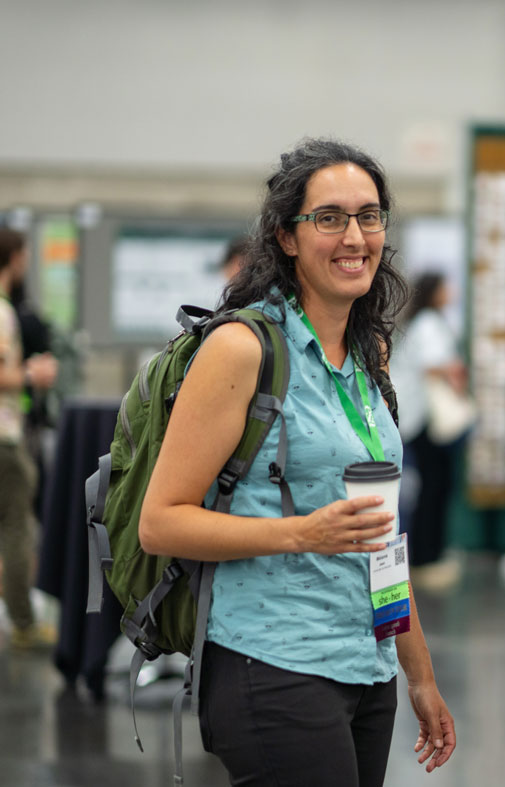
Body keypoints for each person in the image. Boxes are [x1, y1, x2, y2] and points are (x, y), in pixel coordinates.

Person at [139, 138, 455, 785]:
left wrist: (416, 672)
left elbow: (380, 536)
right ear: (286, 236)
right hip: (271, 662)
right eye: (330, 217)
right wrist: (300, 532)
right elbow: (161, 521)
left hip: (366, 668)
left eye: (369, 216)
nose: (354, 236)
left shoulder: (371, 356)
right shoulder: (241, 348)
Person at [0, 228, 59, 649]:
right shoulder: (2, 312)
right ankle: (23, 623)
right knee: (18, 528)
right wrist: (31, 375)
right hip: (5, 435)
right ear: (16, 258)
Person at [392, 271, 470, 588]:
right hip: (423, 418)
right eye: (445, 285)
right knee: (432, 488)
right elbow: (432, 363)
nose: (450, 291)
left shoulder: (428, 322)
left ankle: (428, 555)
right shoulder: (428, 323)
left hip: (420, 417)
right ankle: (426, 558)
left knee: (432, 487)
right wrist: (455, 372)